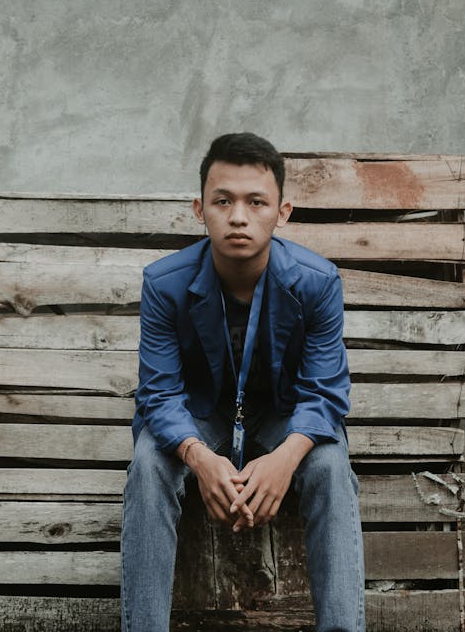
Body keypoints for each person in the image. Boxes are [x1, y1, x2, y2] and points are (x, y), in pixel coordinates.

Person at [121, 133, 365, 632]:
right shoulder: (164, 284)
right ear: (199, 208)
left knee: (330, 465)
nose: (238, 216)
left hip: (283, 416)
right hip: (200, 417)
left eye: (256, 202)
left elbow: (325, 391)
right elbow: (159, 392)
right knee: (148, 462)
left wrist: (286, 456)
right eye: (222, 200)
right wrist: (198, 455)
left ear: (283, 211)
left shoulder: (317, 282)